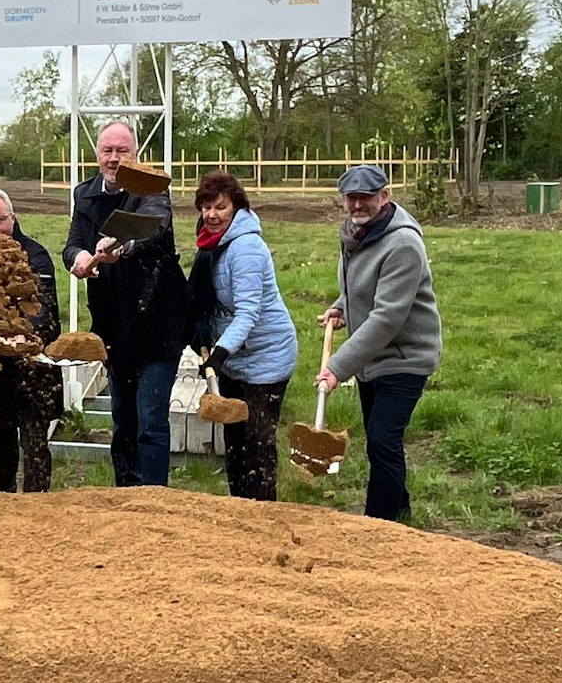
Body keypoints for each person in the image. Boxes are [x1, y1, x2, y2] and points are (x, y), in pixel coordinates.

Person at [63, 122, 190, 487]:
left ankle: (153, 497)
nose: (114, 158)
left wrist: (119, 244)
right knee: (122, 418)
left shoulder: (151, 187)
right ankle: (125, 496)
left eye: (122, 151)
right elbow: (71, 244)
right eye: (107, 151)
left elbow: (151, 227)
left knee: (150, 419)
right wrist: (80, 256)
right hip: (113, 321)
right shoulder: (84, 194)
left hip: (156, 319)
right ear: (97, 154)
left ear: (135, 155)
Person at [317, 164, 442, 523]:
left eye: (366, 198)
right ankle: (400, 510)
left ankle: (379, 524)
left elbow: (387, 317)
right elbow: (359, 285)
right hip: (372, 358)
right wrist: (341, 306)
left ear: (384, 197)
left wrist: (338, 368)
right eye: (351, 198)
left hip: (405, 357)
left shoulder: (403, 243)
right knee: (380, 441)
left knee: (383, 440)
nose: (357, 205)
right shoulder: (357, 233)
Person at [189, 170, 298, 501]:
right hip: (237, 357)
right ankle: (240, 514)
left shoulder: (246, 247)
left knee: (257, 448)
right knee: (234, 447)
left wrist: (219, 355)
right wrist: (201, 329)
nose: (211, 215)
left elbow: (248, 312)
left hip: (267, 358)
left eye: (220, 207)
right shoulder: (212, 244)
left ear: (236, 207)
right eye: (206, 207)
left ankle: (265, 519)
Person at [0, 189, 62, 493]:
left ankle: (38, 503)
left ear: (13, 216)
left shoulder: (36, 256)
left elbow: (47, 310)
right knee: (1, 438)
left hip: (35, 366)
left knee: (35, 443)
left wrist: (26, 334)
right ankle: (1, 502)